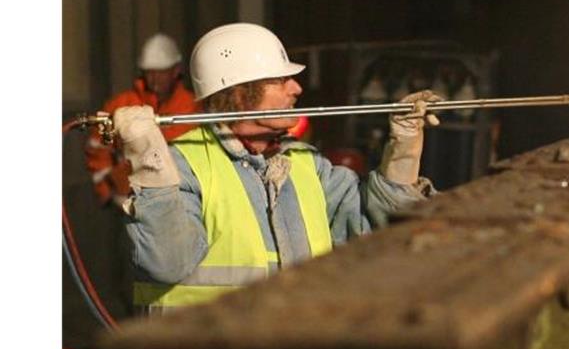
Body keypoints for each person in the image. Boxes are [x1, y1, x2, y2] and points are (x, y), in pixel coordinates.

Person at [112, 22, 440, 313]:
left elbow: (378, 231)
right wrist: (151, 166)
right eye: (280, 80)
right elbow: (166, 263)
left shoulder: (307, 166)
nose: (296, 88)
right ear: (238, 93)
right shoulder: (184, 166)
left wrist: (403, 153)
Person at [85, 33, 199, 210]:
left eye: (161, 72)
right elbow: (97, 149)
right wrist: (109, 189)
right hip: (128, 202)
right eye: (149, 72)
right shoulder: (120, 105)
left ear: (175, 70)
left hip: (182, 202)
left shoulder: (193, 108)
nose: (154, 78)